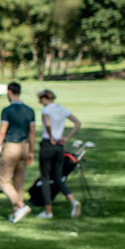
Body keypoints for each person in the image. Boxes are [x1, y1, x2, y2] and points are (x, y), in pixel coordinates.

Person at [0, 81, 36, 223]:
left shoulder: (7, 110)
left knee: (4, 181)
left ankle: (21, 206)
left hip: (11, 147)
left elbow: (2, 131)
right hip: (25, 146)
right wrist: (31, 151)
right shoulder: (30, 110)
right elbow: (32, 133)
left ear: (9, 92)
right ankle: (16, 212)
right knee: (19, 181)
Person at [36, 89, 82, 219]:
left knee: (45, 178)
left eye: (40, 99)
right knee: (57, 178)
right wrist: (66, 138)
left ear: (45, 98)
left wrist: (50, 136)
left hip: (48, 144)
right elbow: (77, 123)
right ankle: (73, 200)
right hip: (60, 146)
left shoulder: (46, 110)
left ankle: (48, 211)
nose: (40, 102)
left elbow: (48, 123)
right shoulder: (63, 109)